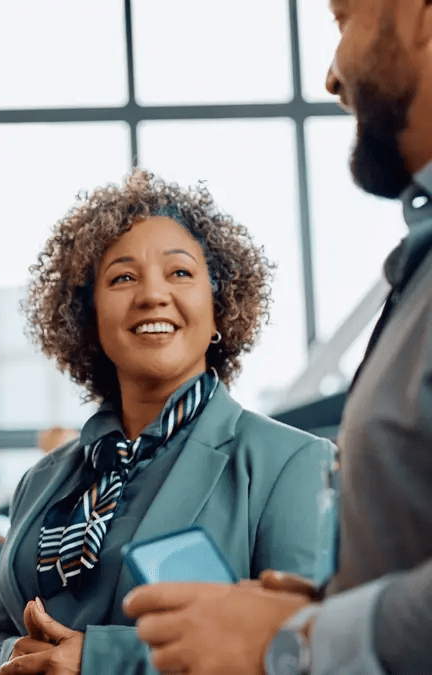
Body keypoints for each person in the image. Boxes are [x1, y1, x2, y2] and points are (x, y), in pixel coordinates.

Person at [123, 1, 432, 673]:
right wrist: (321, 605)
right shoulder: (417, 270)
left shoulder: (280, 457)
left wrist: (305, 637)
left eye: (342, 18)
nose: (330, 74)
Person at [0, 170, 336, 675]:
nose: (152, 295)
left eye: (180, 273)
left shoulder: (289, 464)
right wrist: (12, 658)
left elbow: (305, 647)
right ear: (89, 317)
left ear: (218, 310)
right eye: (122, 277)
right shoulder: (42, 481)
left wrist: (97, 662)